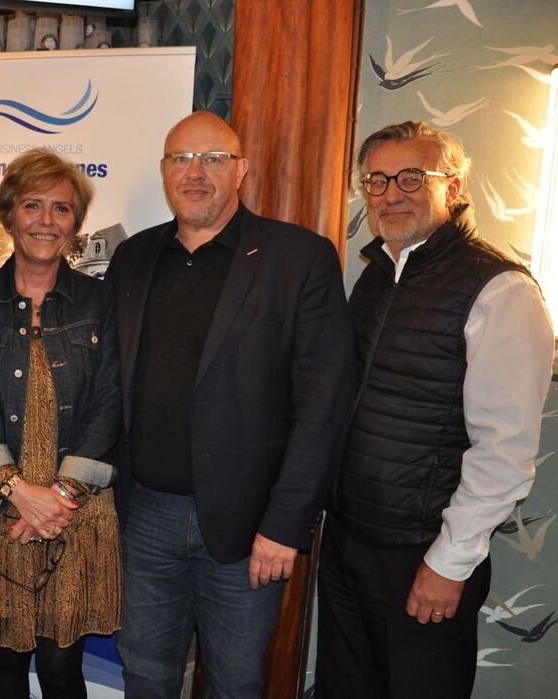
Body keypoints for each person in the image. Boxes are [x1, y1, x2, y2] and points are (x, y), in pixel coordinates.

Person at [105, 111, 355, 698]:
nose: (196, 172)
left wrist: (285, 524)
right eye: (181, 160)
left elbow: (324, 403)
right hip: (142, 516)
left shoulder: (299, 258)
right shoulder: (132, 258)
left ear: (240, 170)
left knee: (236, 684)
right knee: (144, 675)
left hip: (250, 528)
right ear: (164, 172)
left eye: (213, 159)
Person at [315, 121, 554, 698]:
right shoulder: (375, 277)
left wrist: (449, 563)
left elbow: (505, 450)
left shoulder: (499, 289)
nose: (391, 193)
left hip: (424, 554)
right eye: (376, 180)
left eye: (411, 177)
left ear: (454, 184)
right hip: (349, 542)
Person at [0, 148, 121, 698]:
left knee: (63, 665)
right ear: (9, 214)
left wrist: (59, 497)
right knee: (7, 665)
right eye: (32, 205)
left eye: (61, 209)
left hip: (76, 512)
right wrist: (18, 492)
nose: (46, 220)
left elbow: (111, 401)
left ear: (76, 224)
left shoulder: (100, 298)